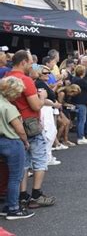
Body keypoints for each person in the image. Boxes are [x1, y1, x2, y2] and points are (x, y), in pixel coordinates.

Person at [6, 50, 56, 208]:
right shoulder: (25, 80)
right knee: (40, 159)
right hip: (31, 124)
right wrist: (42, 96)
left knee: (23, 162)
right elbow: (35, 105)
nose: (31, 65)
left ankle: (22, 195)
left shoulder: (6, 78)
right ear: (23, 62)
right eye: (30, 62)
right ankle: (36, 194)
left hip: (13, 124)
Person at [0, 77, 35, 219]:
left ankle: (8, 205)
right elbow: (19, 129)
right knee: (16, 176)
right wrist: (25, 141)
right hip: (12, 142)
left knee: (8, 175)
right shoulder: (9, 107)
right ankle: (13, 208)